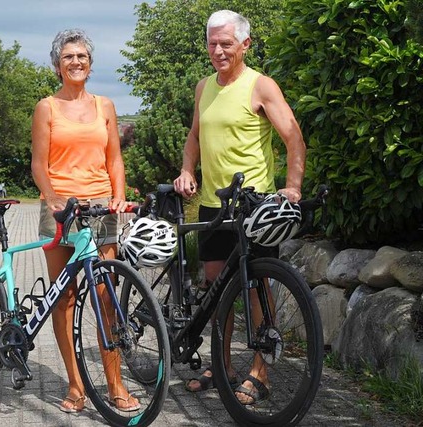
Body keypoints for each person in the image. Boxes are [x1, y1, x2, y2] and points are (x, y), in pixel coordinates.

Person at [173, 10, 306, 405]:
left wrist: (293, 187)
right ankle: (220, 365)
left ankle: (259, 373)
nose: (218, 51)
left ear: (245, 44)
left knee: (256, 290)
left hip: (254, 205)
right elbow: (194, 136)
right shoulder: (203, 87)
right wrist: (186, 169)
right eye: (212, 43)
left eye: (226, 44)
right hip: (214, 205)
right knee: (217, 292)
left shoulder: (261, 86)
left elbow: (294, 138)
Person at [31, 28, 139, 413]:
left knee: (106, 296)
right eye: (68, 57)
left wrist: (119, 195)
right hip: (59, 208)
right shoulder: (47, 108)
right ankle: (76, 386)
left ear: (90, 65)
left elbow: (114, 160)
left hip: (99, 207)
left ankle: (115, 384)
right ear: (57, 66)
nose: (75, 62)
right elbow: (38, 167)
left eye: (82, 57)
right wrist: (55, 198)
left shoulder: (105, 106)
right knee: (65, 297)